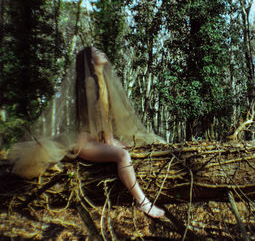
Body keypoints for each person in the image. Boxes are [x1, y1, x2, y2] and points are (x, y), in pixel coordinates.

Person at [8, 47, 165, 218]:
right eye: (97, 52)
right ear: (90, 61)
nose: (103, 53)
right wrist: (110, 141)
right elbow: (98, 118)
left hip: (97, 139)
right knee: (122, 156)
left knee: (129, 147)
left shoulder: (100, 80)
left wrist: (111, 139)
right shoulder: (91, 83)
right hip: (86, 142)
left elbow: (104, 117)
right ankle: (143, 203)